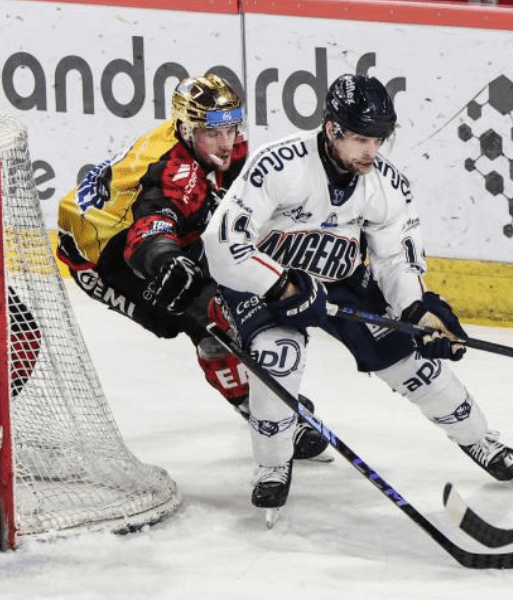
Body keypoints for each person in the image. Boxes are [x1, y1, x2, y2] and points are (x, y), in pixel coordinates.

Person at [200, 73, 513, 524]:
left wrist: (417, 309)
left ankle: (479, 437)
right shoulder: (278, 165)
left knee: (414, 363)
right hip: (264, 279)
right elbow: (221, 245)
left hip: (339, 280)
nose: (371, 152)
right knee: (278, 356)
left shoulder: (385, 184)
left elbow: (395, 260)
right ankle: (273, 466)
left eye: (378, 140)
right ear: (332, 129)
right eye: (359, 139)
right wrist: (281, 287)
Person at [56, 73, 328, 461]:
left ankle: (269, 397)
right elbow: (148, 231)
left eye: (231, 129)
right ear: (185, 130)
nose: (226, 142)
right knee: (199, 317)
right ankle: (259, 410)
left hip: (151, 226)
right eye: (212, 134)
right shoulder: (174, 172)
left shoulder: (217, 140)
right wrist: (166, 259)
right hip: (100, 254)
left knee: (233, 280)